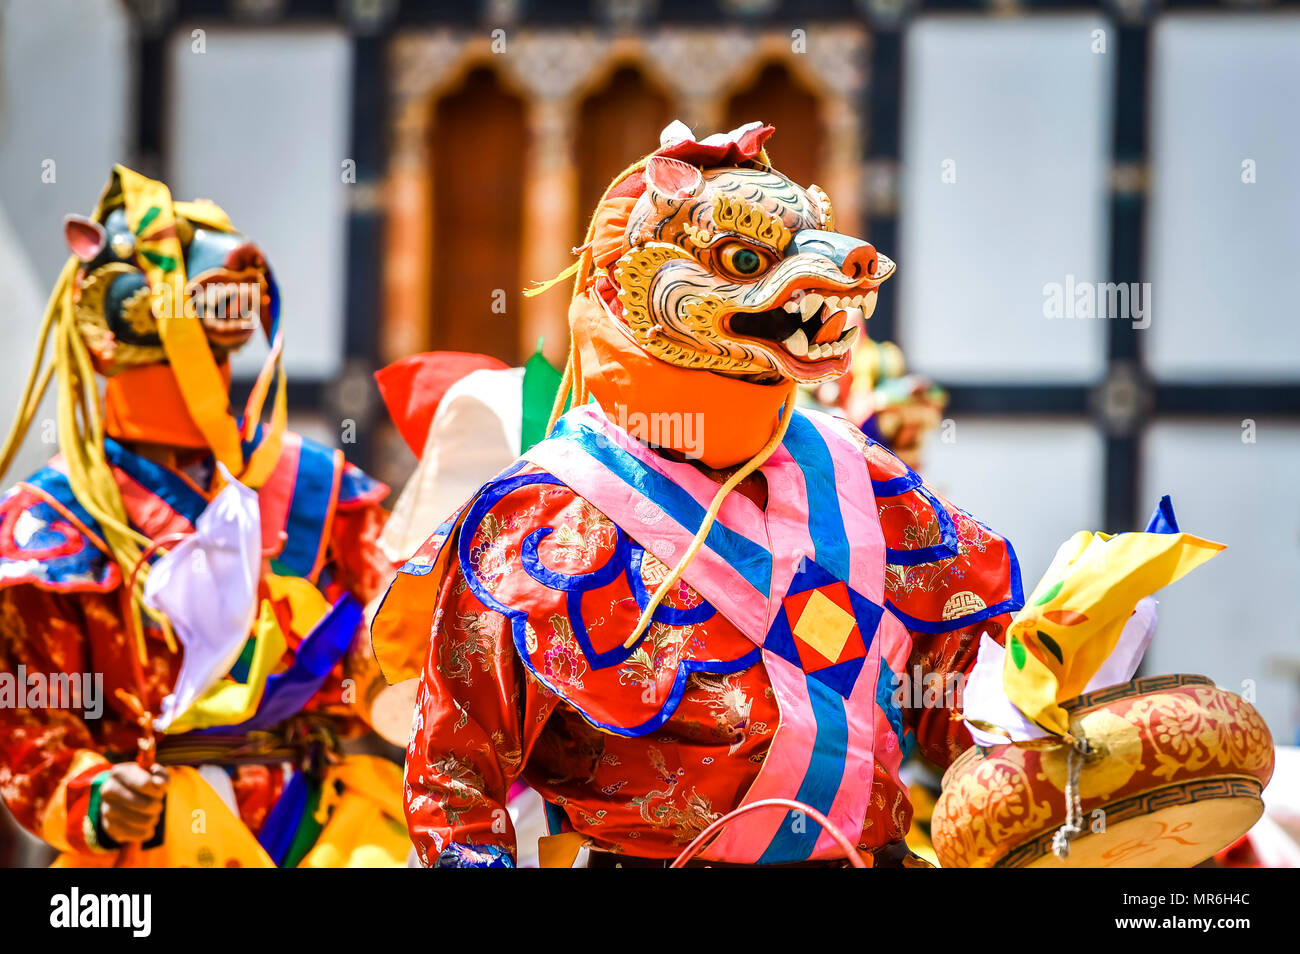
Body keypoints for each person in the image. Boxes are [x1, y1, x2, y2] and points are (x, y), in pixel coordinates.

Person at [372, 122, 1023, 867]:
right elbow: (455, 777)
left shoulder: (863, 478)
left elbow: (976, 700)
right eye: (745, 260)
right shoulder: (539, 512)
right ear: (640, 280)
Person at [0, 167, 403, 867]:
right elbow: (27, 725)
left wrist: (402, 682)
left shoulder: (317, 487)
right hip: (150, 840)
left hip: (315, 825)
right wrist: (97, 792)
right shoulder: (53, 521)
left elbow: (390, 647)